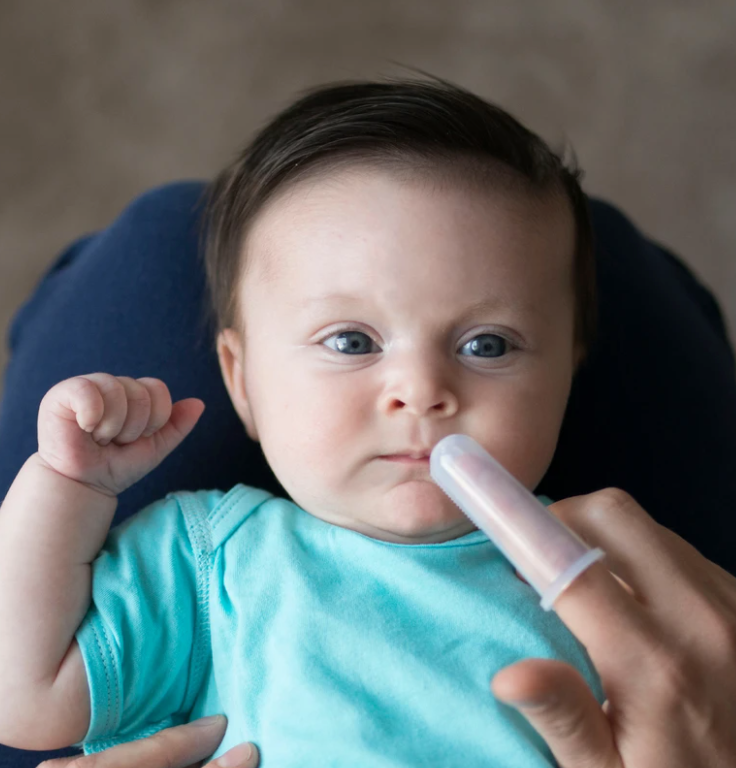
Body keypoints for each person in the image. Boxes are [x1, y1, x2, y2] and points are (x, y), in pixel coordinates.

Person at [1, 78, 735, 768]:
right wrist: (68, 487)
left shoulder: (620, 578)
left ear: (566, 378)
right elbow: (24, 698)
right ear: (242, 383)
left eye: (487, 345)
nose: (420, 391)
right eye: (352, 342)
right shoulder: (213, 560)